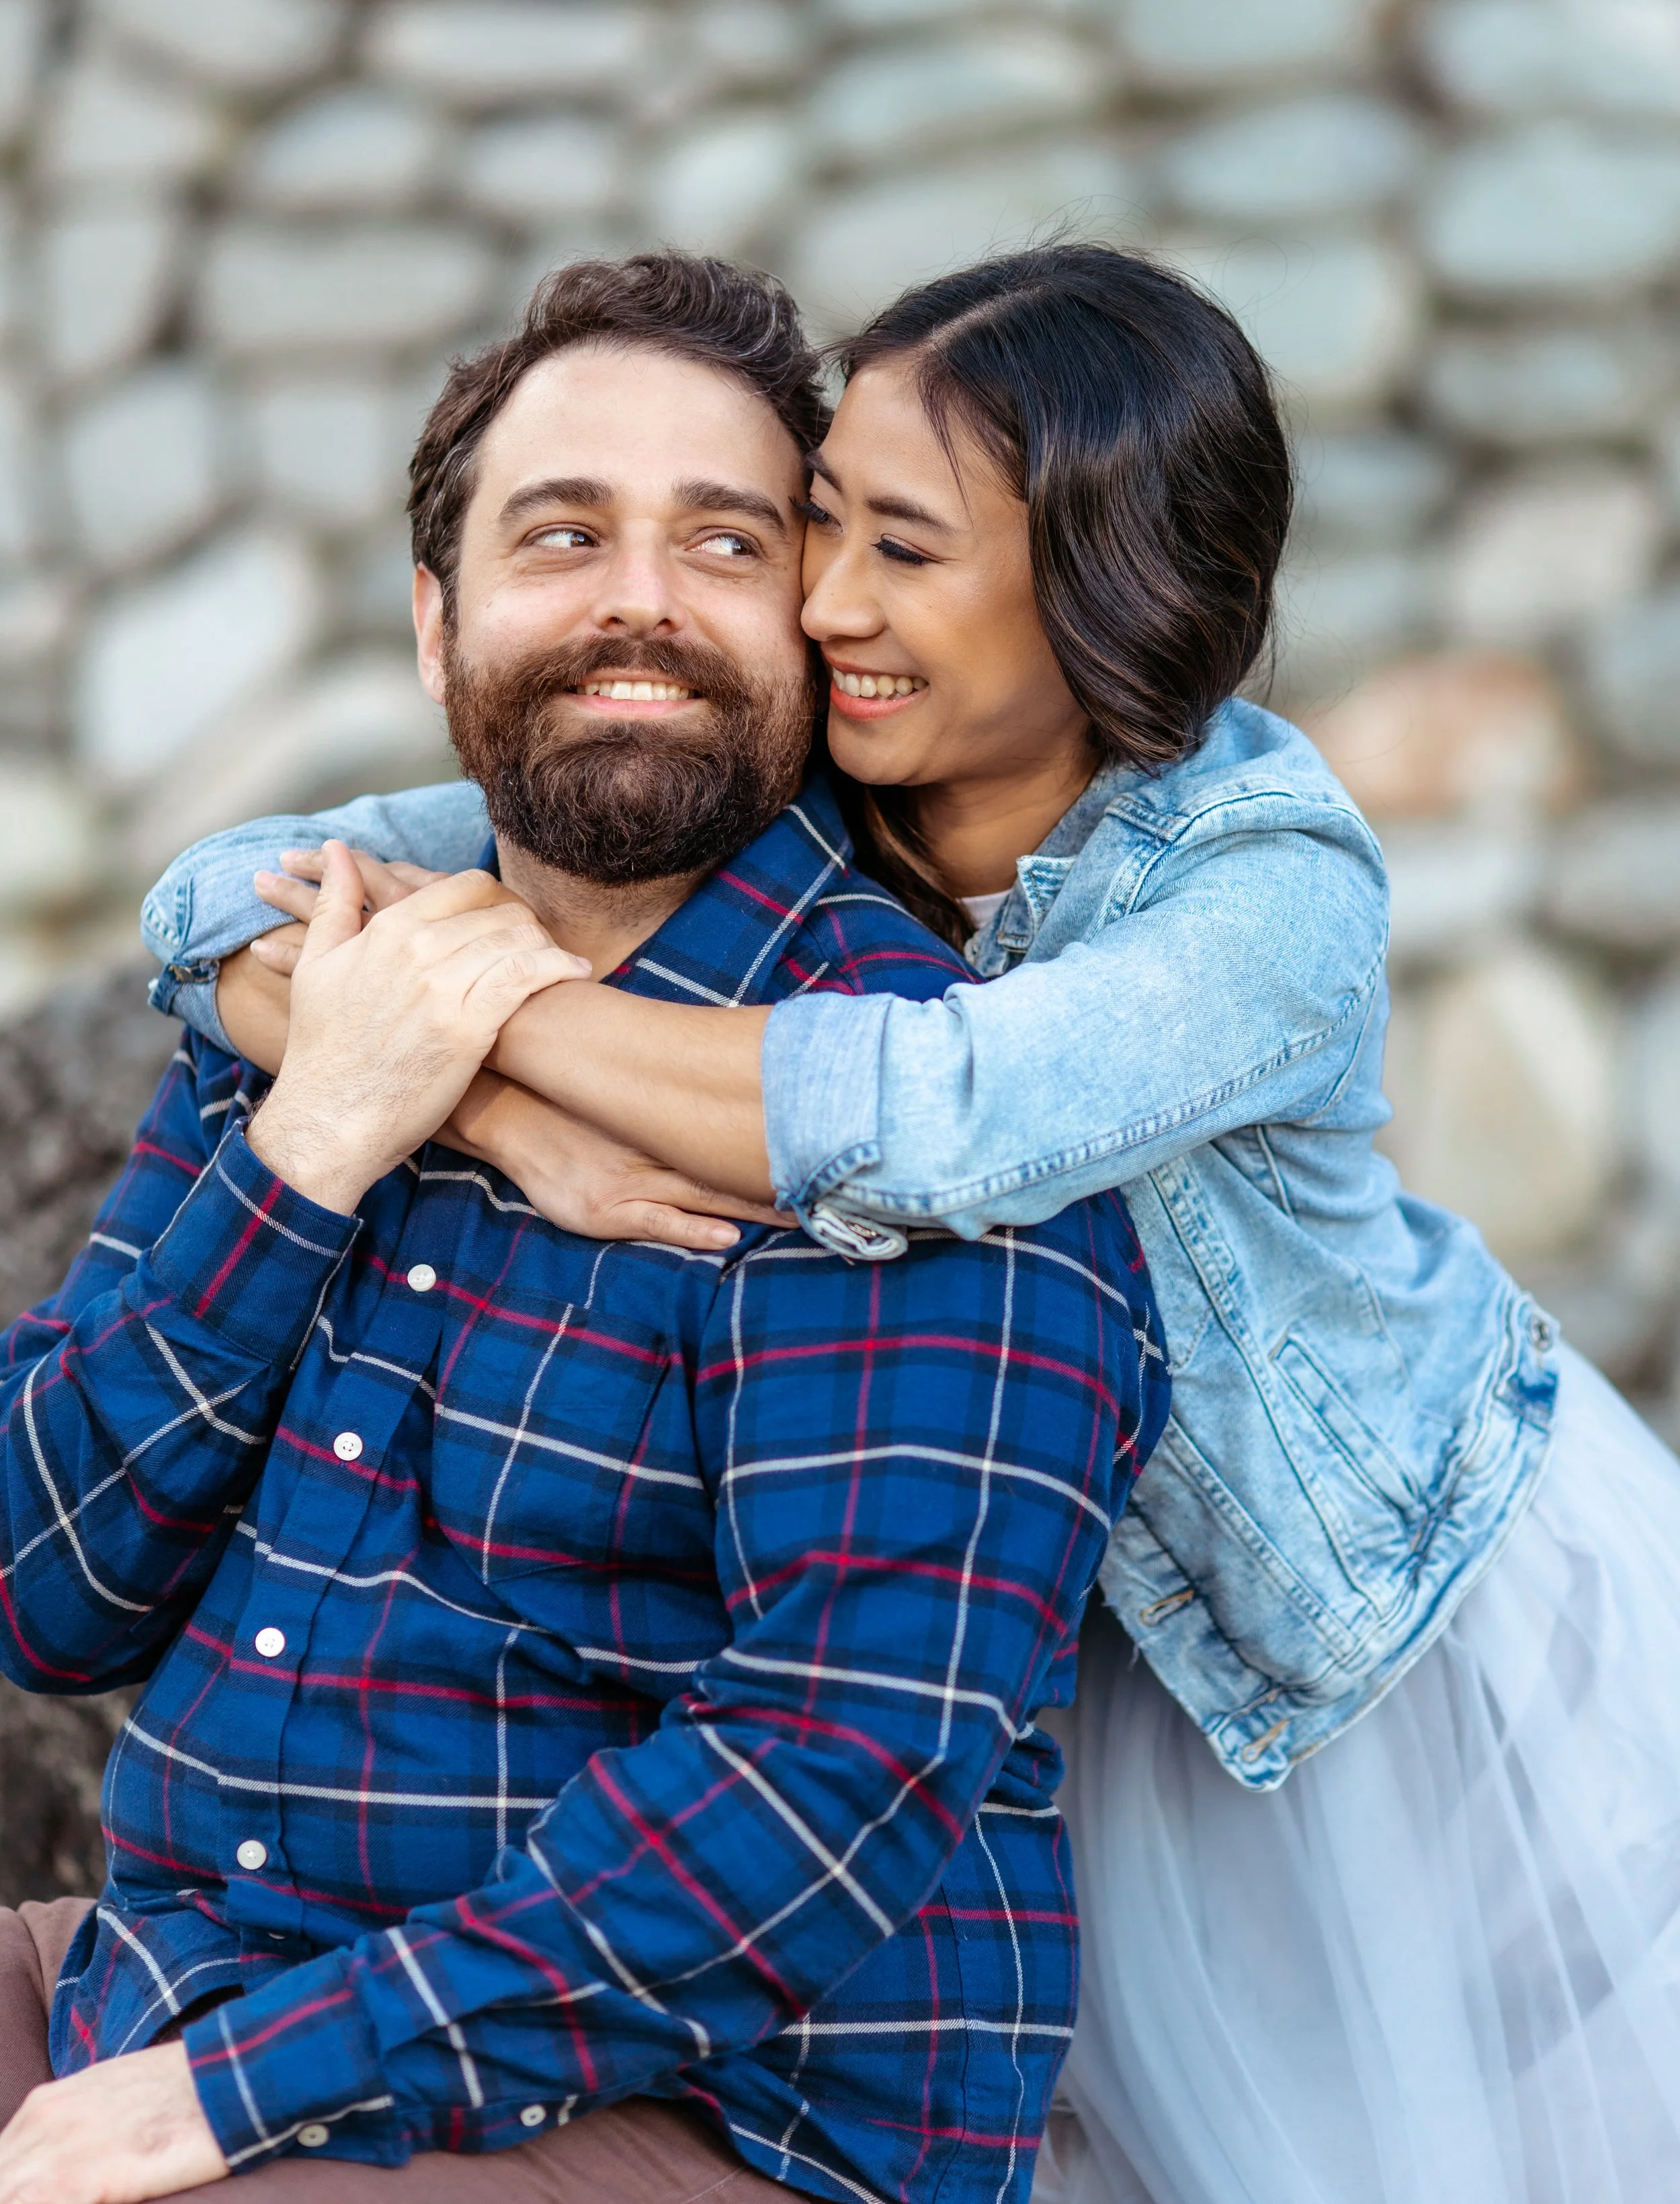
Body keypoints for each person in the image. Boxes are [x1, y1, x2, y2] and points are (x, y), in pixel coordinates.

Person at [157, 241, 1680, 2204]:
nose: (825, 604)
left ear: (1096, 587)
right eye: (814, 529)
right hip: (1067, 1629)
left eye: (902, 544)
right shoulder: (820, 776)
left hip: (1387, 1640)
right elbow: (218, 899)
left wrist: (480, 1021)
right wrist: (483, 1103)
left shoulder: (1262, 888)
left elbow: (927, 1118)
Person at [0, 252, 1169, 2204]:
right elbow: (47, 1585)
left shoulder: (912, 1106)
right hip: (165, 1978)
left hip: (692, 2114)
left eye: (722, 540)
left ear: (814, 626)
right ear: (438, 620)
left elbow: (822, 1784)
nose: (640, 594)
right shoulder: (325, 989)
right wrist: (312, 1152)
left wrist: (243, 2091)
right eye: (564, 533)